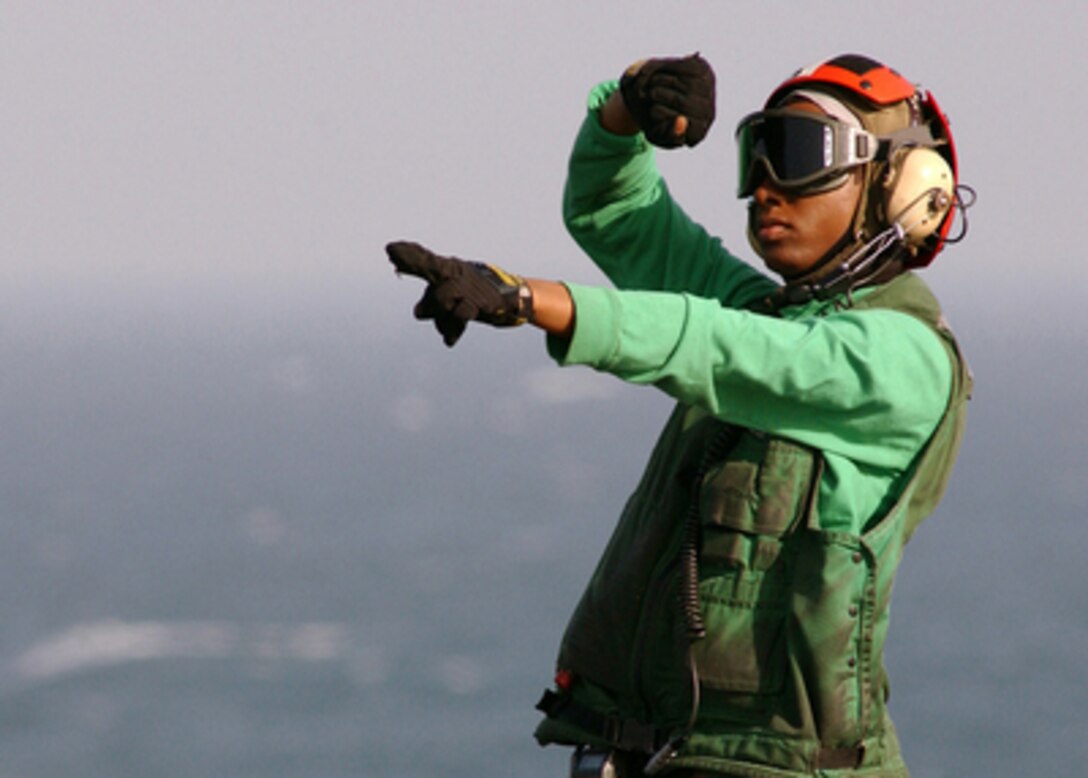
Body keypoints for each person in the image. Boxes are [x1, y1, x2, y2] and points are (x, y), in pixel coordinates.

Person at [388, 52, 973, 777]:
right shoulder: (775, 318)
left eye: (796, 155)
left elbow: (719, 347)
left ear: (906, 190)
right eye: (754, 157)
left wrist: (529, 300)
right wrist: (625, 112)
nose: (763, 189)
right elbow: (619, 217)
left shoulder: (902, 360)